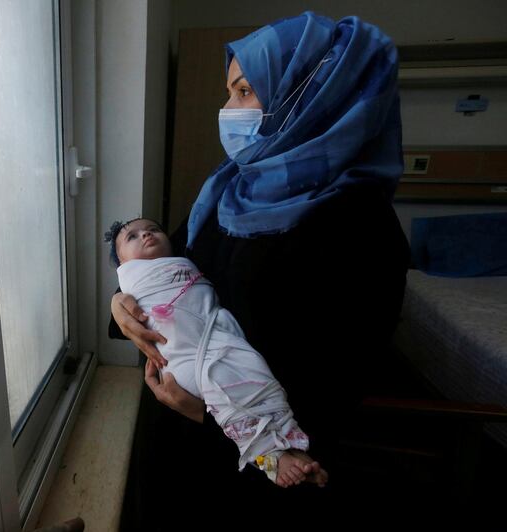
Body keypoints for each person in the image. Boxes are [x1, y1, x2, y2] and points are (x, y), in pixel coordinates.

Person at [111, 11, 410, 526]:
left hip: (259, 466)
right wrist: (121, 305)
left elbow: (340, 381)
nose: (228, 110)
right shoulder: (228, 188)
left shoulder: (360, 224)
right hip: (173, 442)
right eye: (231, 92)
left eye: (246, 91)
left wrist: (205, 414)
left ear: (310, 96)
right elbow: (166, 268)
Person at [106, 217, 328, 488]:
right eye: (133, 237)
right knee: (227, 390)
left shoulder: (182, 262)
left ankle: (292, 439)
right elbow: (130, 303)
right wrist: (117, 302)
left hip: (221, 341)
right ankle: (268, 456)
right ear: (123, 265)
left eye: (153, 230)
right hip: (186, 359)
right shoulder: (209, 209)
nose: (146, 236)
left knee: (261, 377)